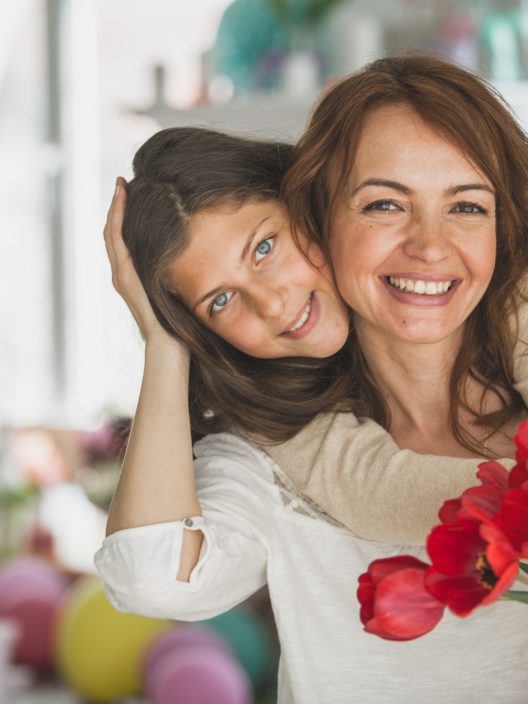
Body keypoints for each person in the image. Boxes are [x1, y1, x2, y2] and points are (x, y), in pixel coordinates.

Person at [95, 55, 528, 702]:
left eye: (466, 206)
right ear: (322, 217)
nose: (430, 247)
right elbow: (149, 579)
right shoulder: (271, 464)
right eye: (384, 204)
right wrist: (163, 338)